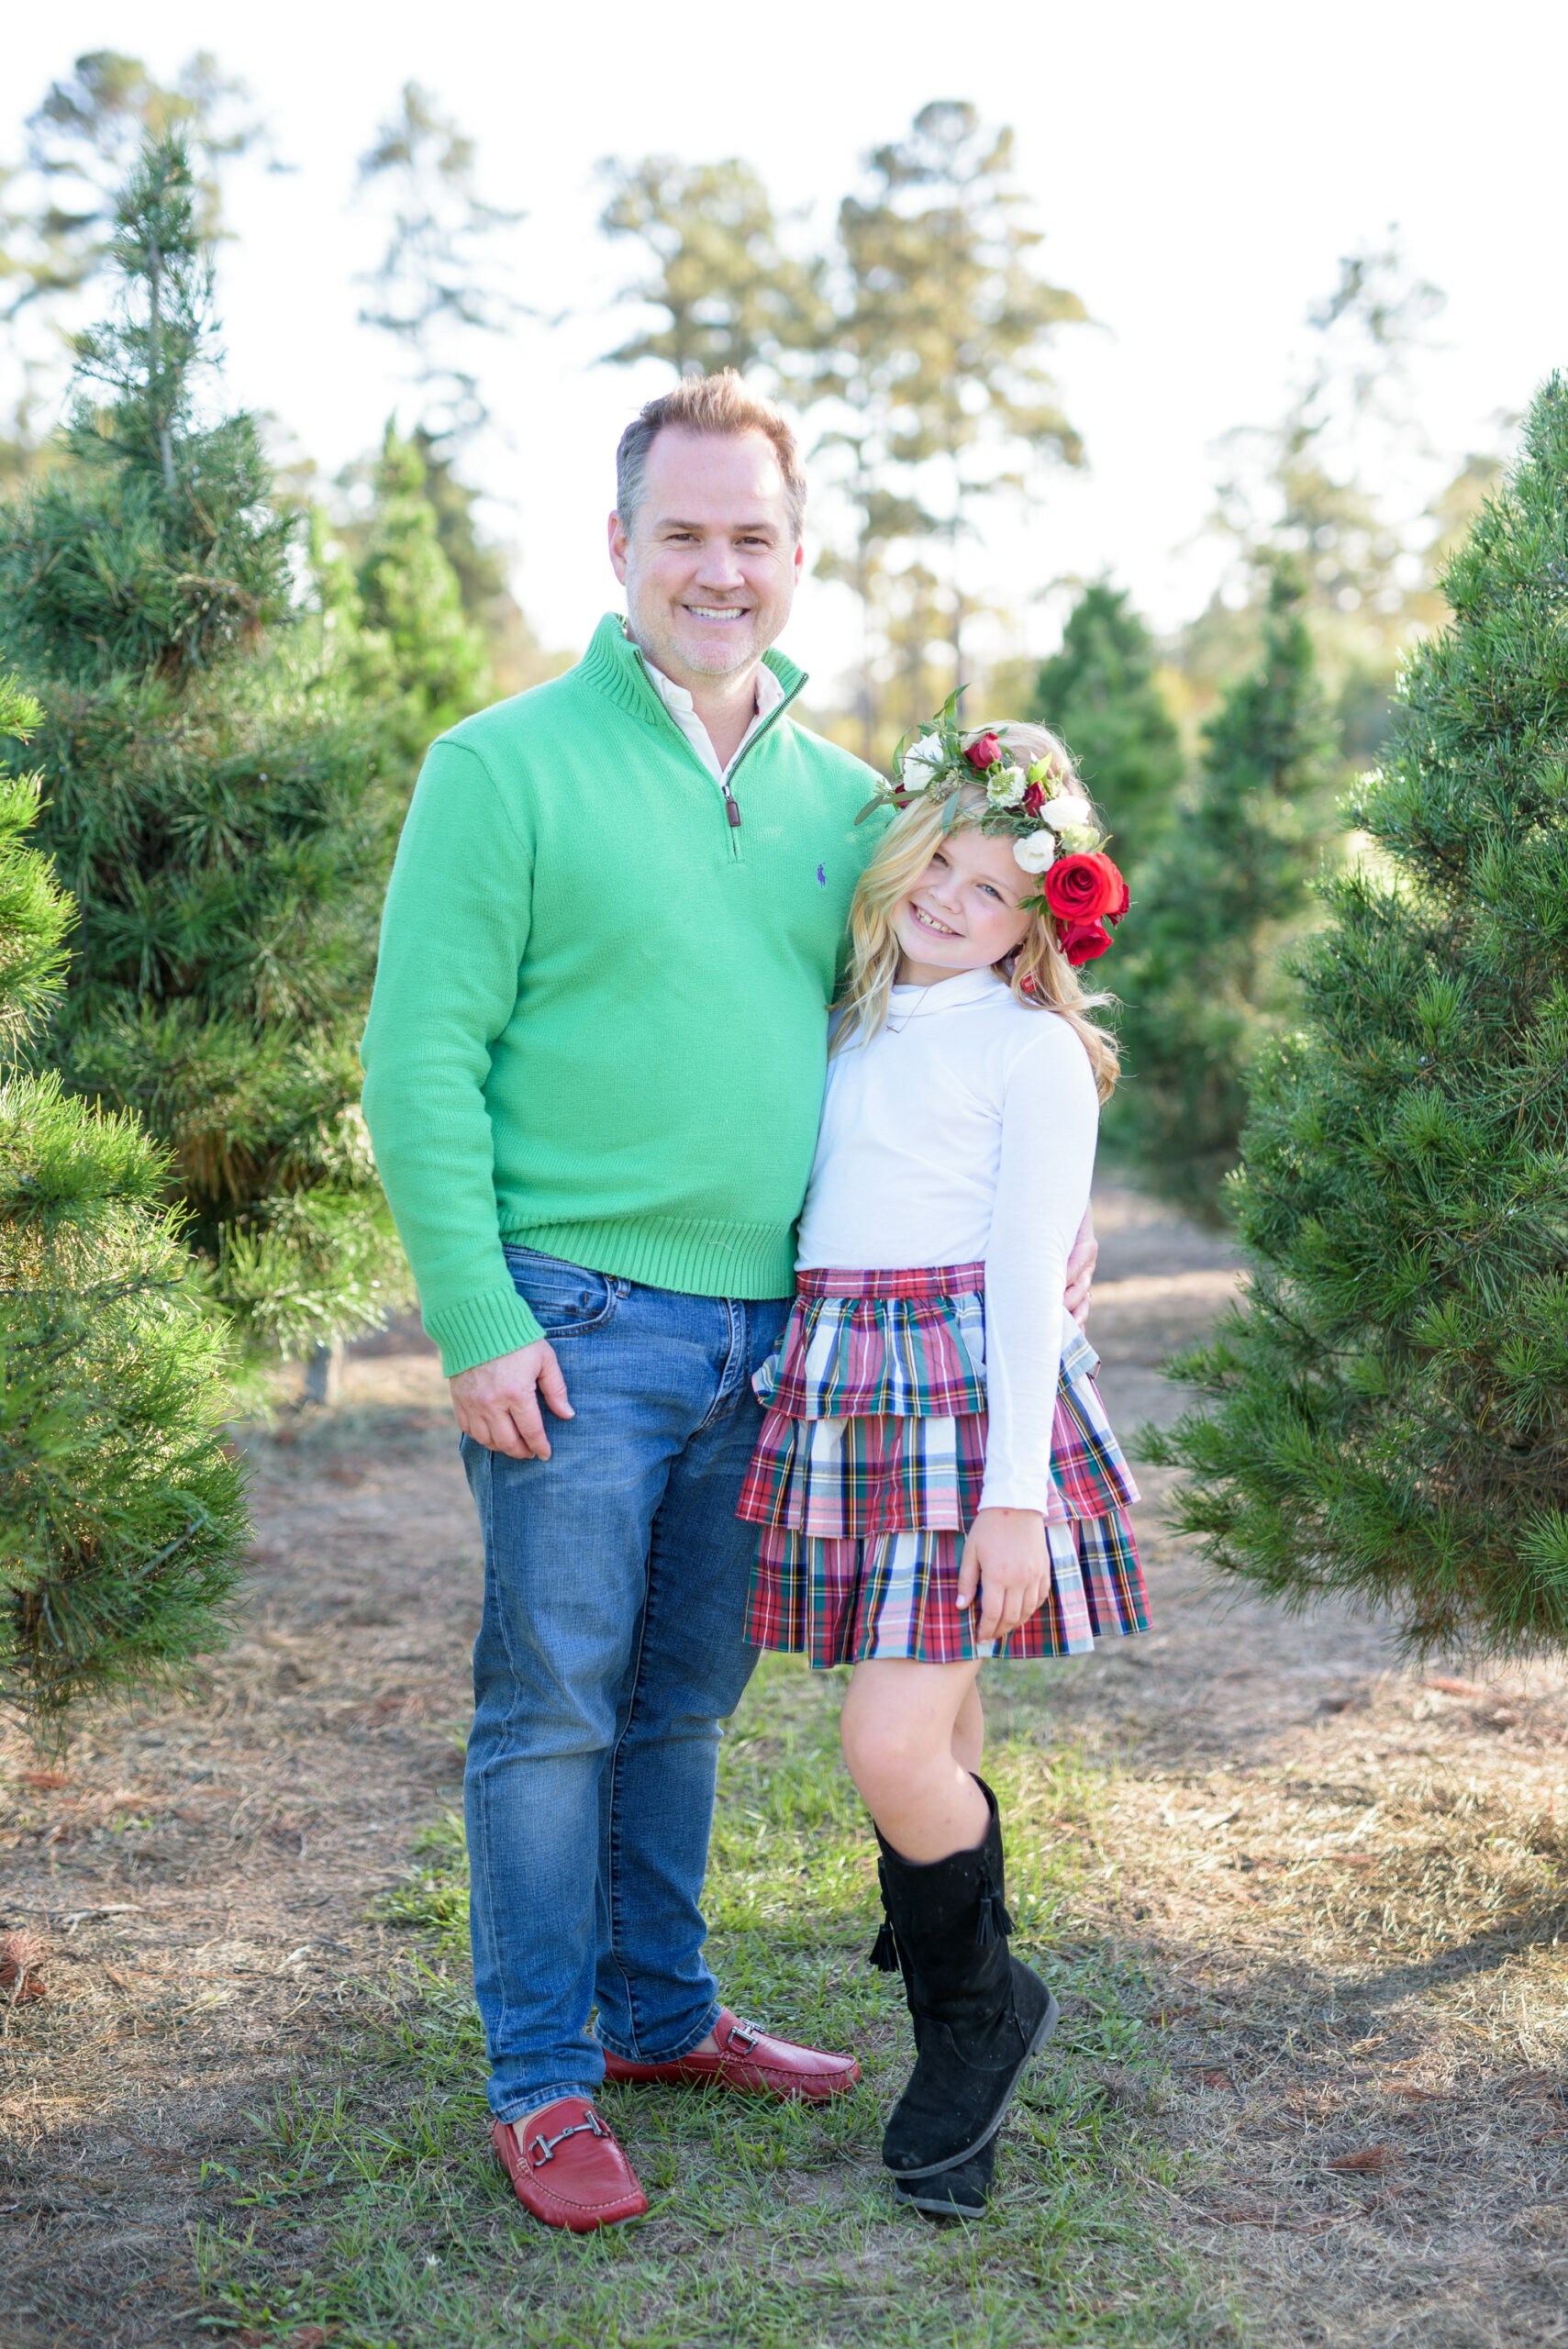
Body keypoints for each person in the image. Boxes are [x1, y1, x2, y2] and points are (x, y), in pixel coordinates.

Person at [360, 373, 1098, 2234]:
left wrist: (1058, 1207)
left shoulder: (849, 805)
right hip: (572, 1314)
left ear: (795, 556)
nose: (717, 566)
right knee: (552, 1704)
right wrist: (471, 1309)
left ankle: (664, 2005)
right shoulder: (500, 765)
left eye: (750, 536)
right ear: (617, 548)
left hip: (781, 1334)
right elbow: (419, 1057)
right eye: (680, 532)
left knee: (685, 1695)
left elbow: (978, 985)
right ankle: (543, 2073)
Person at [738, 713, 1146, 2222]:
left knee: (891, 1746)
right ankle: (960, 1999)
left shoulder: (1031, 1051)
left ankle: (979, 2019)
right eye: (939, 866)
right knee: (941, 1730)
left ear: (1039, 918)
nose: (951, 903)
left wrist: (1016, 1497)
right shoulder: (847, 1018)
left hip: (969, 1402)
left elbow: (1031, 1275)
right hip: (845, 1381)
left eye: (992, 889)